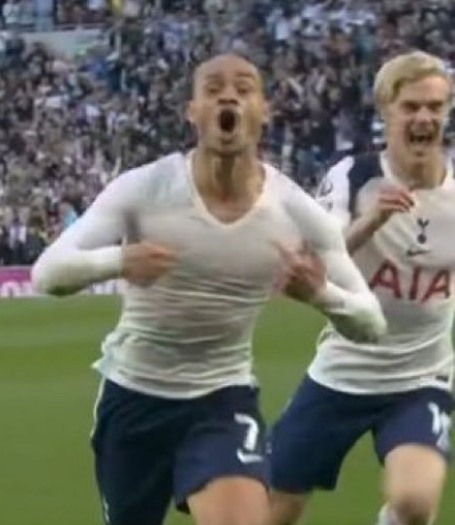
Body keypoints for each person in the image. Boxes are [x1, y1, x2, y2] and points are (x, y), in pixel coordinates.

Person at [31, 53, 386, 525]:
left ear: (264, 110)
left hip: (221, 399)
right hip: (134, 397)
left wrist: (322, 295)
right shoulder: (143, 189)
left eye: (244, 88)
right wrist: (118, 261)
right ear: (193, 111)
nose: (228, 97)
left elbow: (371, 323)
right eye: (214, 88)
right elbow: (47, 273)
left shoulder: (296, 212)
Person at [268, 50, 455, 525]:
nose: (424, 118)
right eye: (411, 106)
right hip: (344, 374)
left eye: (435, 107)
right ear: (386, 111)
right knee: (273, 511)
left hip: (422, 378)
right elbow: (318, 262)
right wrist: (372, 220)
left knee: (414, 504)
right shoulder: (354, 176)